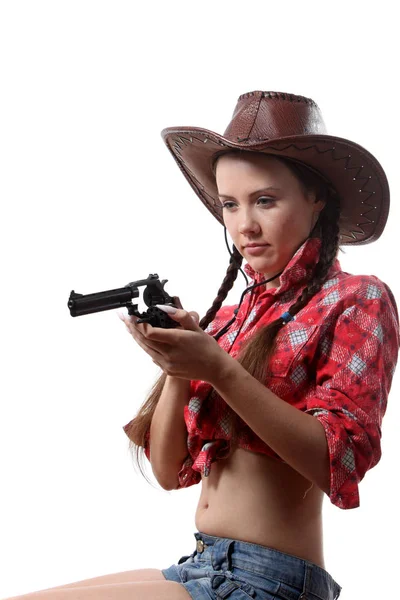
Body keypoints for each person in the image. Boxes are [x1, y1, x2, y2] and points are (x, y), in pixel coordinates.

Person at [6, 91, 399, 600]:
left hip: (266, 580)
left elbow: (338, 462)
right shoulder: (229, 323)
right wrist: (176, 363)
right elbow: (169, 473)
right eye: (229, 205)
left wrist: (217, 368)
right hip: (200, 563)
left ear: (316, 197)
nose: (244, 225)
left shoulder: (356, 299)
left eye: (265, 200)